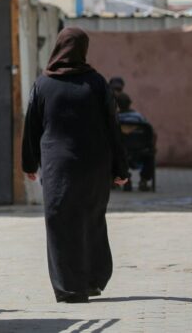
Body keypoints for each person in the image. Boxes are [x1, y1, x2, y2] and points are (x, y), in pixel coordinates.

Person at [22, 27, 129, 304]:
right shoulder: (96, 83)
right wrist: (120, 169)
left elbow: (31, 126)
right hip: (94, 165)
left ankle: (70, 287)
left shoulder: (43, 84)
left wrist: (29, 162)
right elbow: (112, 128)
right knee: (91, 219)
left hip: (58, 167)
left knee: (60, 222)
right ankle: (93, 279)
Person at [115, 92, 156, 191]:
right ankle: (144, 180)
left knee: (114, 156)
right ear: (130, 103)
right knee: (151, 153)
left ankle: (124, 179)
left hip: (122, 151)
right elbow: (150, 133)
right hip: (140, 150)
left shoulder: (116, 119)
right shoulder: (138, 117)